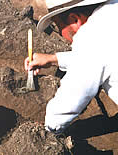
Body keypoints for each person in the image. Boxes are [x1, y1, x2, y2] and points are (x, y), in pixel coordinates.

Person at [24, 0, 118, 134]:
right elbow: (102, 56)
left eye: (58, 26)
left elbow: (75, 93)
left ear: (74, 19)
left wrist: (47, 131)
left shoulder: (92, 35)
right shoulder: (111, 12)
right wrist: (53, 59)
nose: (61, 34)